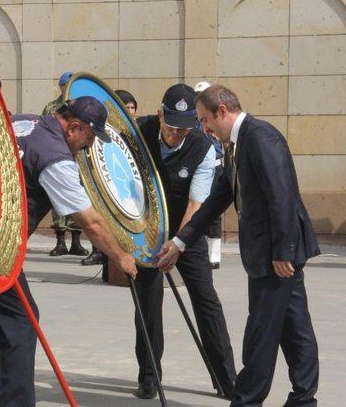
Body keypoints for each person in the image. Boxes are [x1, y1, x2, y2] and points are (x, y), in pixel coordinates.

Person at [0, 96, 138, 406]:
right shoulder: (55, 157)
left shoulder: (24, 121)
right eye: (88, 139)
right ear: (74, 126)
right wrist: (120, 257)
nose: (88, 147)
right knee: (22, 320)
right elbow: (91, 223)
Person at [158, 84, 320, 407]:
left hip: (275, 256)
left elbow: (282, 196)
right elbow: (219, 197)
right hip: (270, 253)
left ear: (222, 111)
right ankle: (304, 398)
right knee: (295, 326)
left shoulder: (260, 138)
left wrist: (282, 252)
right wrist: (180, 241)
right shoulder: (237, 143)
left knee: (260, 333)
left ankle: (246, 401)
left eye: (205, 120)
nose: (204, 129)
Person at [131, 84, 236, 399]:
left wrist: (178, 243)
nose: (177, 134)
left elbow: (196, 203)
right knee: (148, 303)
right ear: (161, 113)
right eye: (171, 126)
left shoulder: (202, 147)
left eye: (185, 128)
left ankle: (226, 378)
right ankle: (149, 376)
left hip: (186, 230)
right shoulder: (140, 132)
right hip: (145, 230)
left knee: (206, 301)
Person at [81, 89, 139, 267]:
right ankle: (100, 252)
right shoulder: (100, 129)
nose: (129, 110)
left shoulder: (137, 130)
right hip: (104, 181)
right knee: (99, 218)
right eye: (125, 106)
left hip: (126, 186)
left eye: (132, 107)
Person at [41, 71, 89, 257]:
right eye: (65, 85)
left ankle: (76, 241)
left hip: (79, 161)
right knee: (57, 199)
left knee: (78, 197)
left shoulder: (83, 106)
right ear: (60, 87)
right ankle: (60, 241)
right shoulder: (52, 107)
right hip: (57, 157)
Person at [195, 81, 224, 269]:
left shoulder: (215, 118)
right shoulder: (193, 119)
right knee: (197, 208)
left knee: (214, 212)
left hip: (215, 167)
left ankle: (214, 256)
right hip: (198, 168)